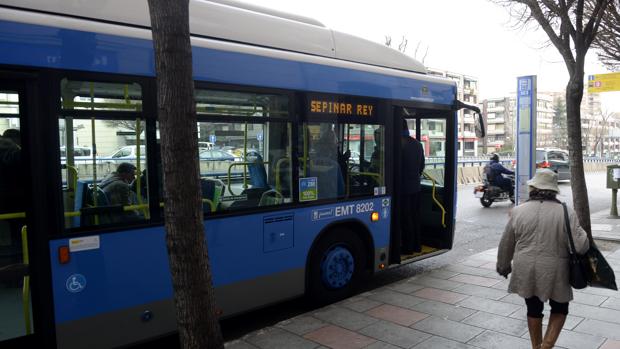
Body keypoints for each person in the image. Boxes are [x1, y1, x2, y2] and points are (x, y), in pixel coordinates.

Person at [496, 169, 589, 349]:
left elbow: (506, 243)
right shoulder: (566, 212)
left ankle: (535, 346)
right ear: (554, 190)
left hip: (525, 268)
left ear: (533, 187)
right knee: (560, 308)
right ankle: (546, 347)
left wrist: (503, 266)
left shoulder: (518, 211)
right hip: (555, 270)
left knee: (533, 309)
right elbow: (580, 246)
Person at [400, 119, 425, 254]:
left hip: (403, 188)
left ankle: (408, 247)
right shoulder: (417, 144)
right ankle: (417, 246)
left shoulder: (398, 143)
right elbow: (421, 166)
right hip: (416, 186)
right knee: (415, 217)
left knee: (406, 217)